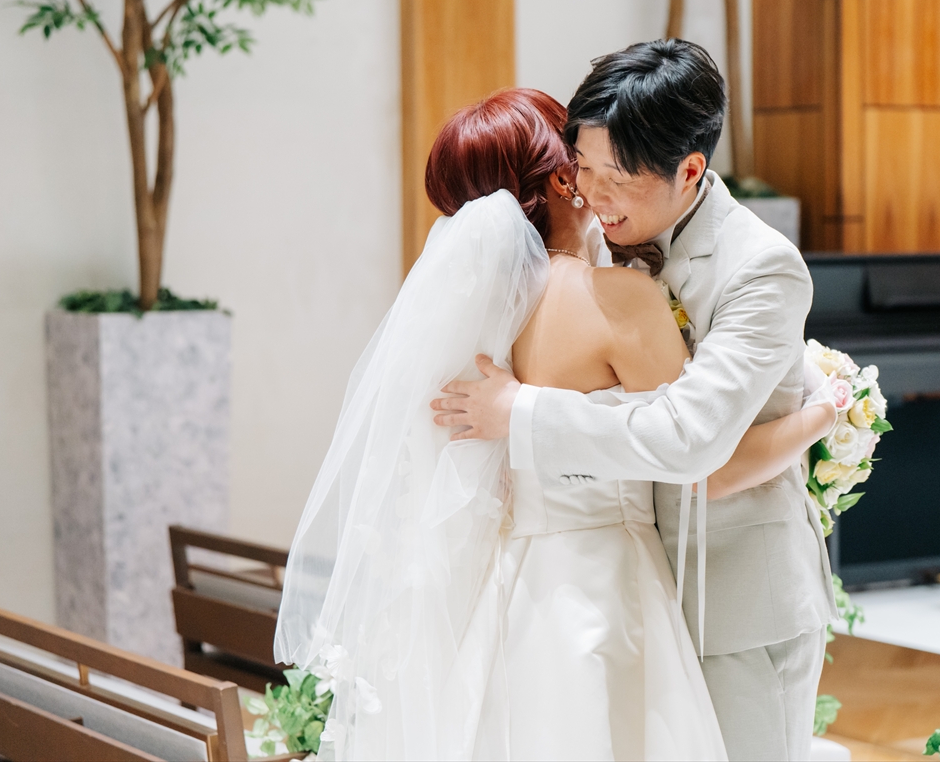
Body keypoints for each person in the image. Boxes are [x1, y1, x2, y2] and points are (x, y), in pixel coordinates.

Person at [276, 87, 835, 761]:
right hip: (610, 583)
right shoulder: (619, 297)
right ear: (564, 180)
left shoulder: (470, 321)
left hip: (513, 592)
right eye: (580, 163)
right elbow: (701, 459)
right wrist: (824, 414)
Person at [431, 42, 840, 762]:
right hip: (620, 594)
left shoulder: (762, 268)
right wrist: (820, 417)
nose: (592, 195)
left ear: (690, 170)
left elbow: (691, 440)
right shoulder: (598, 252)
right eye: (581, 168)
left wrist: (520, 411)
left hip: (734, 605)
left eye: (615, 178)